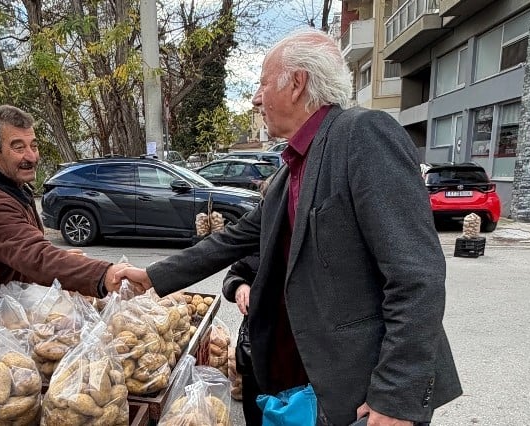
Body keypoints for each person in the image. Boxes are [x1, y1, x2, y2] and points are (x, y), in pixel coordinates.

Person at [116, 29, 461, 425]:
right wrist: (150, 276)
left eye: (263, 83)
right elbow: (233, 239)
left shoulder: (362, 134)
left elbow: (417, 276)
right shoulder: (289, 172)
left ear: (296, 84)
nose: (256, 98)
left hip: (370, 394)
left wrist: (397, 394)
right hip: (313, 385)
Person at [0, 105, 132, 333]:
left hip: (6, 310)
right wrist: (103, 275)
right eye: (18, 147)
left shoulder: (11, 187)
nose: (31, 156)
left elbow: (19, 253)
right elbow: (36, 256)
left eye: (34, 145)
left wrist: (61, 261)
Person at [223, 176, 273, 426]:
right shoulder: (256, 241)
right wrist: (239, 285)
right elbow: (232, 275)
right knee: (255, 412)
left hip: (294, 353)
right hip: (255, 347)